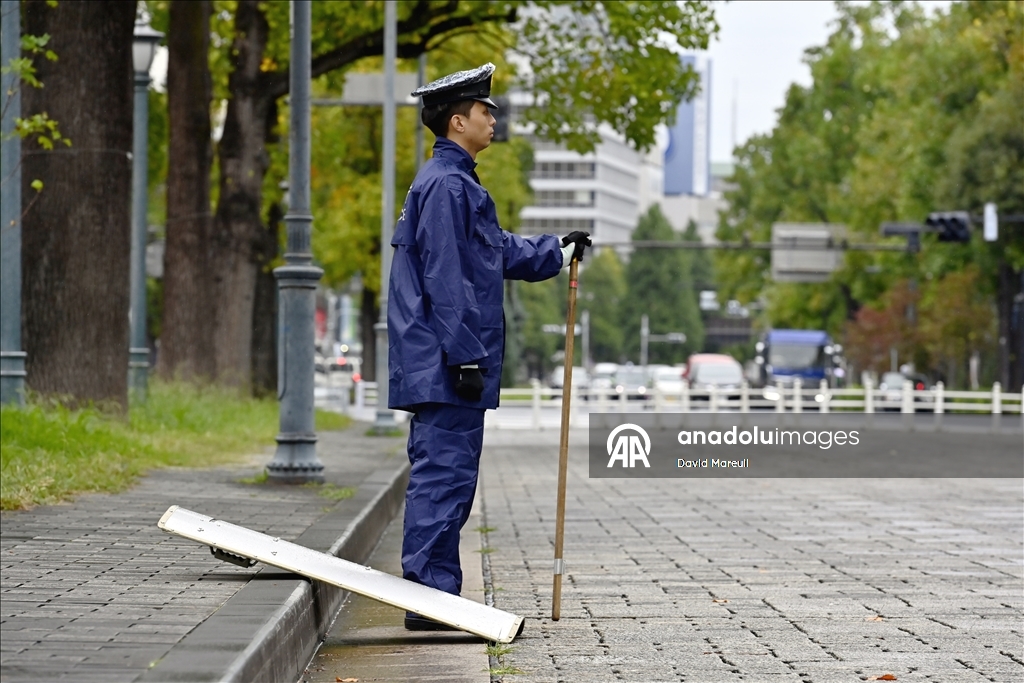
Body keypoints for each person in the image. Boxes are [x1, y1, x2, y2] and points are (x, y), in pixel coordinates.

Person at [388, 63, 591, 631]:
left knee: (451, 476)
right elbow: (448, 280)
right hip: (444, 360)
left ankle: (436, 594)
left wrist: (554, 249)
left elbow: (492, 251)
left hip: (442, 358)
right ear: (458, 121)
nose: (493, 118)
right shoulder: (449, 187)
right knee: (444, 476)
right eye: (485, 110)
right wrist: (466, 354)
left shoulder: (456, 184)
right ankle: (430, 597)